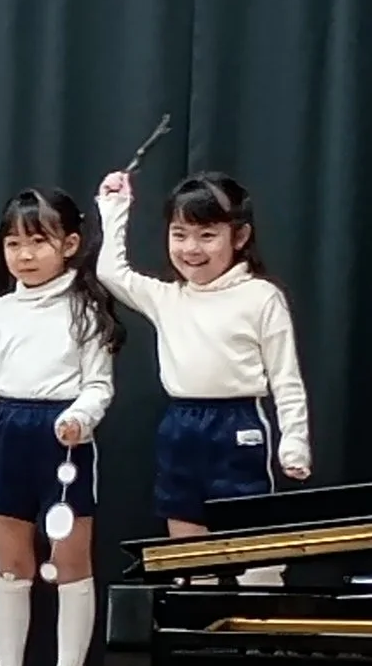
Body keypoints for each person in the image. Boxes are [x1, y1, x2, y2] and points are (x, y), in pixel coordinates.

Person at [0, 187, 122, 666]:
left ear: (69, 244)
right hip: (7, 436)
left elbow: (98, 386)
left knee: (70, 561)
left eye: (38, 242)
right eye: (14, 244)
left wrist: (78, 420)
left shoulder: (86, 308)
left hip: (63, 439)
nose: (24, 255)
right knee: (10, 564)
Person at [96, 168, 308, 543]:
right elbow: (111, 272)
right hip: (180, 425)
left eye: (207, 236)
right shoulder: (166, 297)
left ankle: (257, 583)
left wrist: (295, 441)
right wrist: (115, 206)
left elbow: (286, 379)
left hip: (238, 423)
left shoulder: (261, 297)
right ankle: (194, 581)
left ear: (239, 236)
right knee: (184, 533)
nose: (191, 248)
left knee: (248, 536)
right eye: (179, 235)